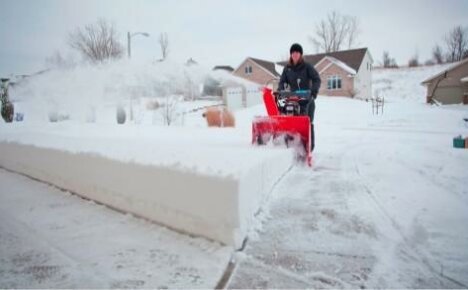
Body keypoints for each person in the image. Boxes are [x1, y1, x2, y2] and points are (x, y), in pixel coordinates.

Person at [278, 43, 321, 152]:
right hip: (293, 100)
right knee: (291, 122)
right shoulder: (287, 69)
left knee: (308, 122)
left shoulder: (307, 67)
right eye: (293, 52)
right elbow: (282, 82)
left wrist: (313, 92)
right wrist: (281, 91)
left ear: (300, 54)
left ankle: (309, 148)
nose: (295, 54)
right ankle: (291, 144)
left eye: (297, 52)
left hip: (307, 100)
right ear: (291, 55)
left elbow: (317, 79)